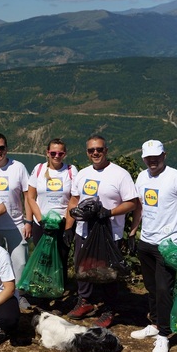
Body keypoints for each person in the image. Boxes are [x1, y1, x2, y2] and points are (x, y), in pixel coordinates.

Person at [128, 140, 177, 352]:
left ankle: (164, 335)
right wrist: (133, 231)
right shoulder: (141, 177)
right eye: (148, 157)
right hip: (147, 241)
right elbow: (140, 206)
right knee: (151, 286)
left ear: (164, 155)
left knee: (163, 289)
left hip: (168, 245)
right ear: (143, 158)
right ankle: (156, 323)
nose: (152, 160)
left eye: (156, 156)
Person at [65, 135, 137, 328]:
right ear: (87, 152)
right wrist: (69, 227)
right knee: (82, 267)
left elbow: (132, 202)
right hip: (84, 230)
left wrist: (109, 212)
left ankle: (109, 309)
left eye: (99, 149)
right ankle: (85, 302)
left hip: (109, 233)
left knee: (107, 272)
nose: (95, 153)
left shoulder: (120, 174)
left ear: (106, 150)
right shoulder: (82, 174)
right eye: (91, 150)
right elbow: (74, 200)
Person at [0, 132, 32, 308]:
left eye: (1, 147)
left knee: (20, 262)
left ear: (7, 148)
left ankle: (20, 294)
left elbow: (27, 196)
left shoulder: (18, 167)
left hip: (16, 224)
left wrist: (28, 221)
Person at [27, 138, 79, 276]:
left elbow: (75, 199)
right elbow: (31, 197)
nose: (56, 156)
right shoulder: (38, 169)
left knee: (61, 259)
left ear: (65, 154)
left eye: (60, 153)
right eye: (53, 153)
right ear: (47, 153)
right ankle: (42, 289)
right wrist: (41, 220)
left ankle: (59, 289)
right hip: (41, 224)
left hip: (63, 223)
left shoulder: (71, 170)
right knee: (42, 259)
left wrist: (68, 227)